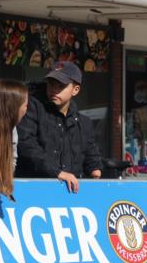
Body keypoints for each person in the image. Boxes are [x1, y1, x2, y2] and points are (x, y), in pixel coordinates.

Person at [16, 62, 102, 193]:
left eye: (60, 85)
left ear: (76, 90)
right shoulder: (30, 108)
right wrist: (57, 172)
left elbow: (91, 154)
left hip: (71, 194)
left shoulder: (84, 122)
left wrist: (95, 169)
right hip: (34, 191)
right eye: (50, 84)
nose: (54, 89)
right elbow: (26, 145)